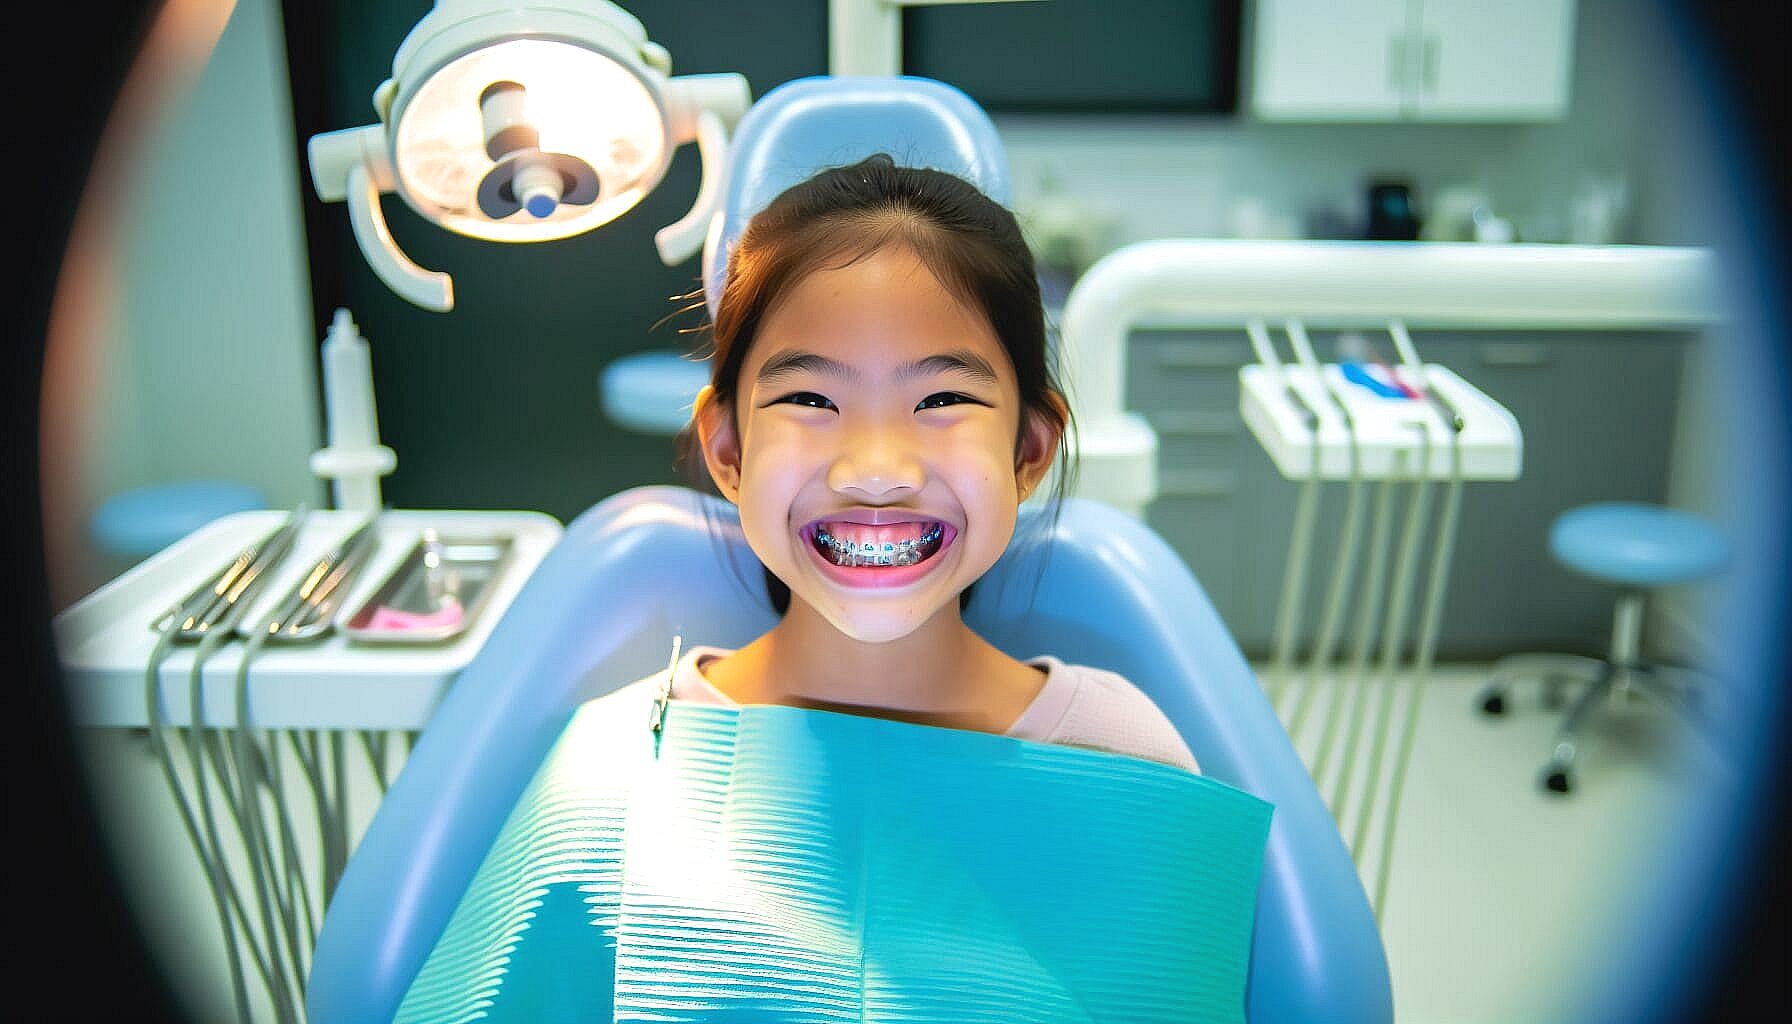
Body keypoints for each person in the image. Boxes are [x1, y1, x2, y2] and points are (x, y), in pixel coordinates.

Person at [660, 152, 1199, 773]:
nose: (877, 470)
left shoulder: (1124, 758)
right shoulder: (624, 766)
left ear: (1029, 450)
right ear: (729, 449)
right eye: (810, 399)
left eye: (943, 399)